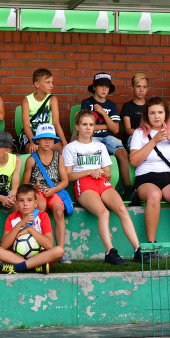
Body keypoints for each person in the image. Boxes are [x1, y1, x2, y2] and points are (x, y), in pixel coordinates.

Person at [64, 110, 144, 265]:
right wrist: (89, 171)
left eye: (91, 124)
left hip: (101, 181)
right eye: (84, 124)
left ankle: (138, 250)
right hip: (84, 183)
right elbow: (68, 176)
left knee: (122, 209)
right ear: (77, 127)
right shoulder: (71, 147)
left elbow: (108, 173)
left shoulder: (100, 146)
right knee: (104, 212)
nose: (88, 128)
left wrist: (99, 172)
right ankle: (110, 252)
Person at [129, 98, 170, 257]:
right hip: (146, 177)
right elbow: (134, 161)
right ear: (147, 115)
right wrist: (154, 140)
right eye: (152, 113)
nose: (156, 116)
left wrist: (169, 138)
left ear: (166, 115)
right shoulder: (139, 133)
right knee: (154, 195)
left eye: (160, 112)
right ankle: (151, 245)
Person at [0, 184, 64, 274]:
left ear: (36, 203)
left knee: (59, 251)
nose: (25, 204)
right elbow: (4, 245)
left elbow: (49, 245)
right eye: (21, 200)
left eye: (29, 200)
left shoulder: (42, 216)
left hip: (39, 256)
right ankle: (35, 266)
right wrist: (20, 225)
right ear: (16, 203)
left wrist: (30, 230)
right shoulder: (12, 218)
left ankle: (17, 267)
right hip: (16, 256)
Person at [22, 124, 70, 262]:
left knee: (58, 210)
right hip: (37, 192)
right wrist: (34, 189)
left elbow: (65, 181)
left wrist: (53, 190)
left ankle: (60, 250)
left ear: (54, 141)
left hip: (54, 190)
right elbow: (25, 184)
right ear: (37, 140)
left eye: (50, 139)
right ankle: (41, 248)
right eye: (43, 139)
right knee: (40, 207)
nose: (47, 142)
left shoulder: (58, 157)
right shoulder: (31, 159)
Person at [20, 68, 67, 152]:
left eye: (52, 82)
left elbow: (56, 123)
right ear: (37, 84)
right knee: (35, 149)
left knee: (62, 150)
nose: (51, 85)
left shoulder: (52, 99)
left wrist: (65, 144)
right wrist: (32, 141)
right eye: (48, 82)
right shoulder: (27, 100)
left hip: (47, 133)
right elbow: (26, 125)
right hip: (32, 134)